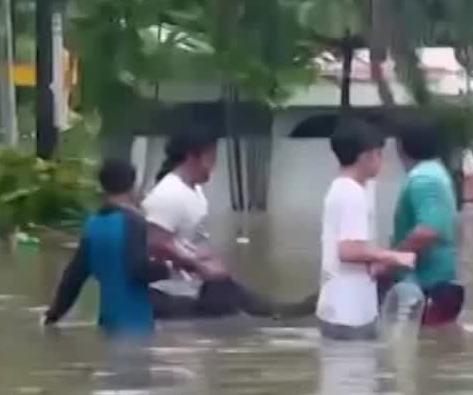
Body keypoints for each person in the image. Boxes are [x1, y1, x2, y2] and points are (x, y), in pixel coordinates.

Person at [142, 129, 315, 320]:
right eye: (210, 159)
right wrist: (198, 266)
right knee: (243, 316)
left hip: (196, 285)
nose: (213, 167)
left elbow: (192, 239)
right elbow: (155, 242)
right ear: (192, 157)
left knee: (250, 307)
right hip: (169, 291)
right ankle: (284, 313)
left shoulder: (194, 191)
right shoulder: (168, 193)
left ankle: (284, 312)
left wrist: (210, 261)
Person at [42, 159, 170, 335]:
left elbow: (73, 278)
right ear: (133, 186)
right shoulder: (134, 222)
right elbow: (138, 269)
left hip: (107, 325)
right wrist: (166, 268)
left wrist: (53, 316)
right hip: (136, 325)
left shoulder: (93, 224)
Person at [317, 119, 415, 340]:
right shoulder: (352, 194)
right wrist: (394, 256)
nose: (382, 162)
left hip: (339, 307)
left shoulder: (340, 187)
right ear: (366, 156)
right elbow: (348, 250)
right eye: (380, 155)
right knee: (354, 371)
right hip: (349, 313)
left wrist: (377, 262)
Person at [378, 118, 464, 327]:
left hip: (425, 288)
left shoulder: (424, 179)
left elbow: (427, 231)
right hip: (432, 287)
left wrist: (391, 260)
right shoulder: (435, 173)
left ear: (400, 146)